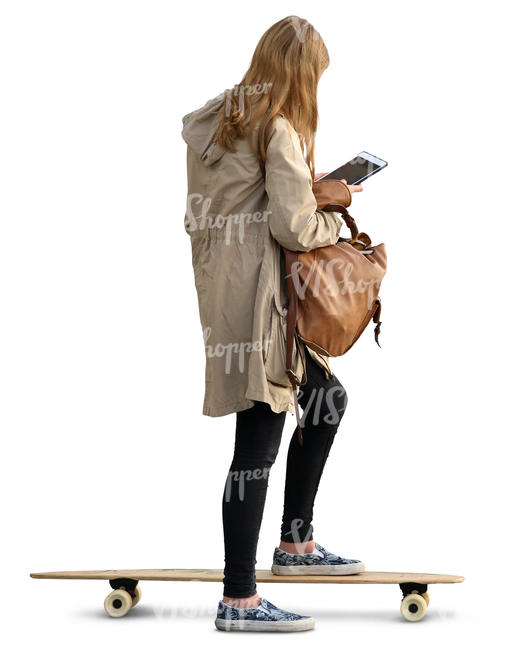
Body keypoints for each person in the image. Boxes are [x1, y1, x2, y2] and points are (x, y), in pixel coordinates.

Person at [181, 16, 363, 632]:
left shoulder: (223, 119)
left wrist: (299, 190)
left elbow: (245, 203)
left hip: (227, 298)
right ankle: (239, 599)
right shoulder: (279, 129)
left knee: (325, 399)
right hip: (264, 303)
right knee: (257, 440)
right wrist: (332, 210)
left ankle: (296, 544)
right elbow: (293, 229)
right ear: (301, 75)